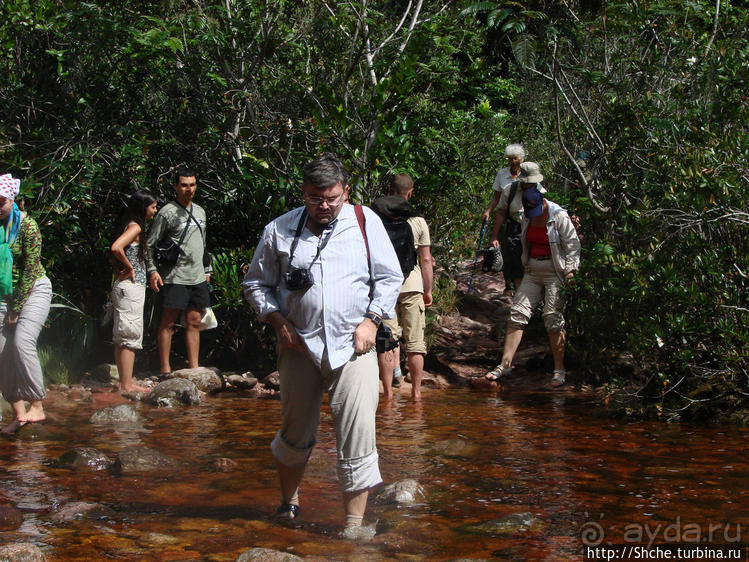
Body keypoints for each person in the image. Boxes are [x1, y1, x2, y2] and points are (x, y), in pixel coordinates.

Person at [243, 153, 402, 536]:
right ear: (304, 193)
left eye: (331, 197)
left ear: (346, 192)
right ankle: (288, 503)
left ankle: (353, 526)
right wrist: (276, 320)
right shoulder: (279, 230)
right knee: (296, 431)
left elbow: (389, 277)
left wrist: (371, 321)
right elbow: (254, 284)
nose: (324, 205)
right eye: (315, 197)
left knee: (358, 430)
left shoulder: (366, 223)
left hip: (355, 346)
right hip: (298, 345)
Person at [485, 171, 581, 387]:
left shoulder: (559, 216)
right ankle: (505, 364)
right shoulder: (527, 214)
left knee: (552, 317)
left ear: (543, 202)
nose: (534, 215)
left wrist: (571, 271)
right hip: (533, 270)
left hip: (556, 271)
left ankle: (559, 370)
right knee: (518, 313)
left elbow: (573, 245)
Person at [372, 173, 434, 402]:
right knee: (416, 342)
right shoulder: (417, 221)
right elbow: (426, 260)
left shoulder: (376, 219)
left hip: (384, 287)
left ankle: (388, 394)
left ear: (389, 190)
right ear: (410, 192)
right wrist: (428, 290)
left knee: (387, 340)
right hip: (412, 285)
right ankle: (416, 395)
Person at [0, 174, 53, 433]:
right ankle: (19, 414)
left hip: (34, 290)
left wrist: (16, 310)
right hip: (4, 293)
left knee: (21, 341)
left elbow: (31, 269)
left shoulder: (28, 226)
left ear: (12, 200)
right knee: (2, 350)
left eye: (1, 202)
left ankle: (37, 404)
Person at [147, 167, 212, 375]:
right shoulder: (167, 212)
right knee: (168, 322)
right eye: (184, 185)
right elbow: (149, 244)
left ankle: (194, 369)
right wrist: (152, 270)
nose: (189, 189)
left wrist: (207, 268)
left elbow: (203, 243)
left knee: (194, 321)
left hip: (197, 277)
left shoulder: (201, 211)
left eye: (192, 185)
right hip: (174, 276)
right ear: (176, 186)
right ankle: (165, 370)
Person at [110, 190, 158, 393]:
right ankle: (127, 384)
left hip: (125, 289)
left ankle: (124, 382)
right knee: (129, 336)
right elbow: (116, 248)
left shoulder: (128, 224)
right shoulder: (136, 226)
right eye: (153, 207)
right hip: (130, 288)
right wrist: (130, 268)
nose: (155, 210)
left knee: (123, 336)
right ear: (143, 208)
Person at [488, 154, 547, 297]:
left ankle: (532, 296)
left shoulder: (539, 190)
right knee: (514, 260)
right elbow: (501, 212)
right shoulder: (510, 190)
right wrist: (494, 236)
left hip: (534, 227)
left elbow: (545, 211)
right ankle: (518, 293)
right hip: (514, 227)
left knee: (532, 261)